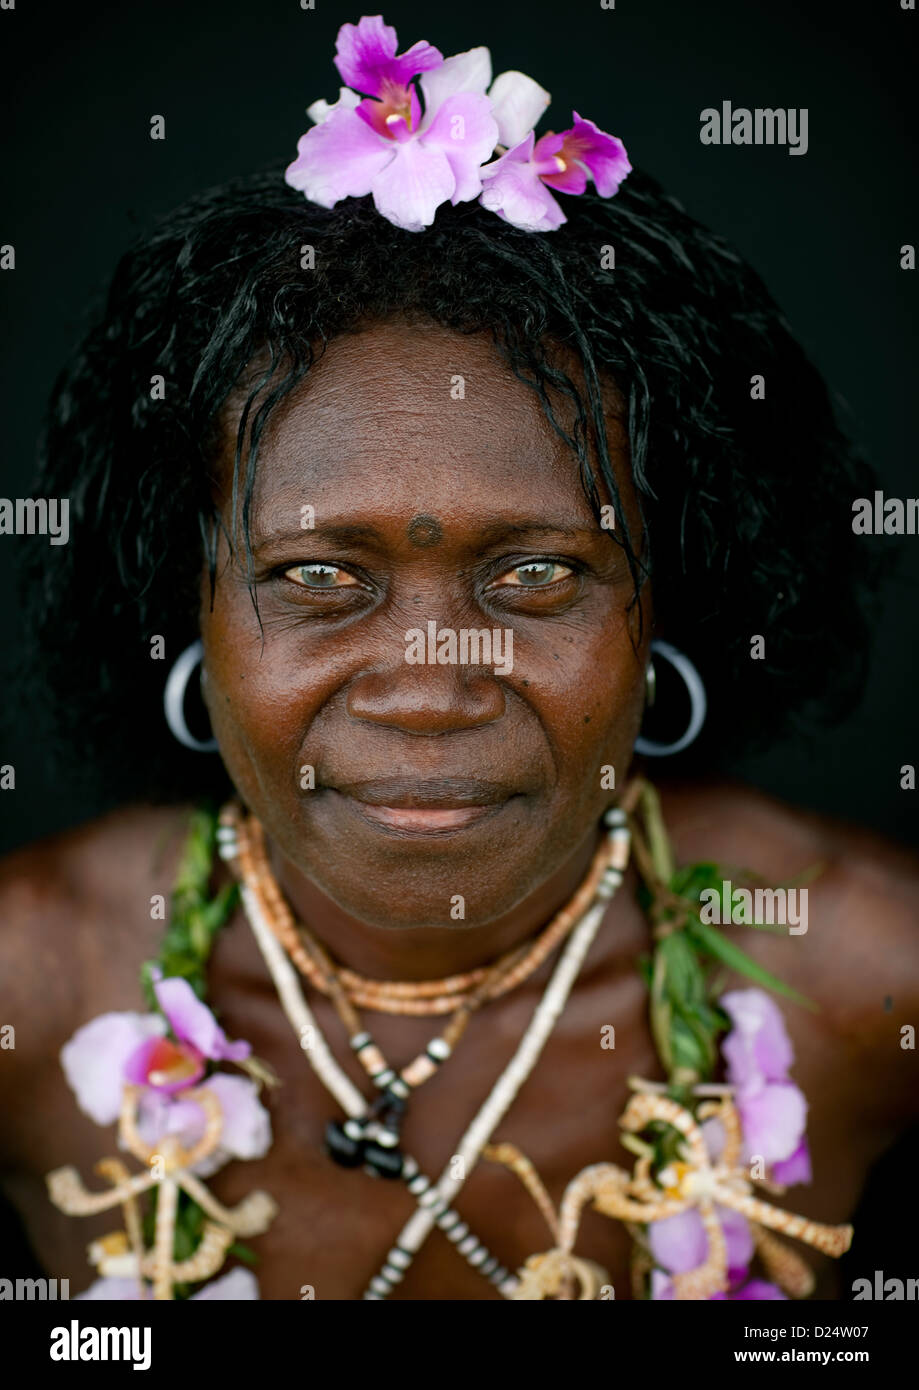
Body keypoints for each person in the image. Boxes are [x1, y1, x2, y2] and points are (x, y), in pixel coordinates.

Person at [0, 18, 917, 1299]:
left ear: (661, 613)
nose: (429, 682)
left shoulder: (870, 977)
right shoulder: (32, 986)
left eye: (534, 573)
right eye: (319, 579)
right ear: (188, 609)